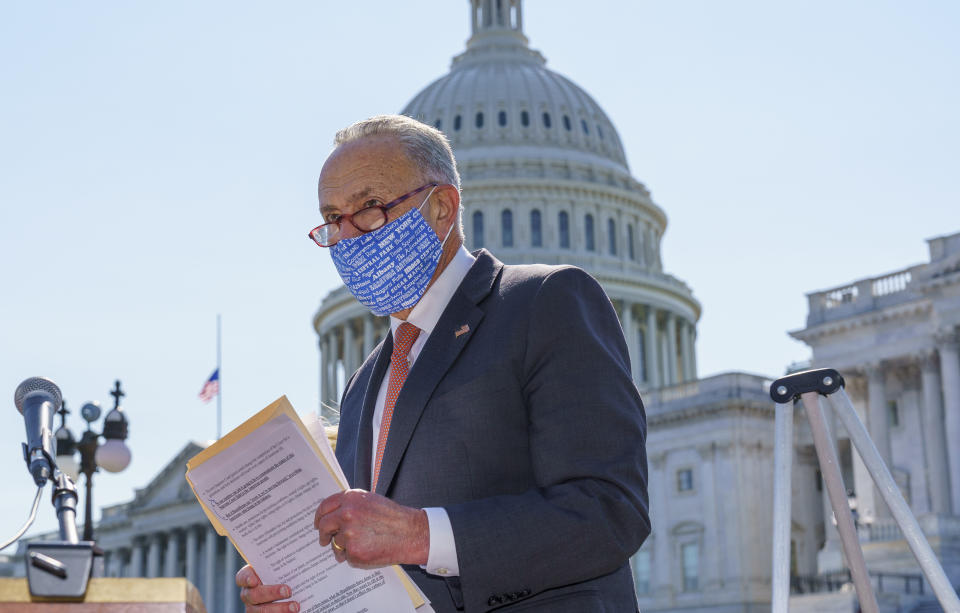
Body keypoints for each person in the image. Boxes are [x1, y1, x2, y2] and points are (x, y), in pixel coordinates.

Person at [237, 114, 649, 612]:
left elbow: (610, 511)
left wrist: (417, 534)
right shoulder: (364, 385)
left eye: (369, 207)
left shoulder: (543, 302)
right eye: (332, 218)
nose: (347, 236)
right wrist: (301, 593)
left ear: (441, 207)